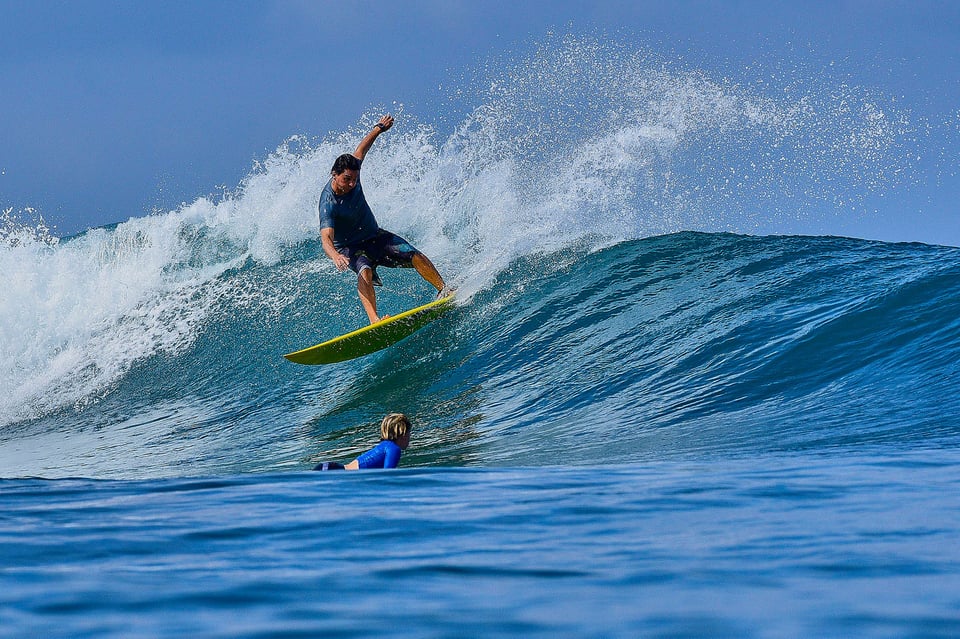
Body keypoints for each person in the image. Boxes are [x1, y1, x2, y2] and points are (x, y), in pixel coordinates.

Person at [319, 114, 450, 324]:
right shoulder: (329, 202)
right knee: (365, 270)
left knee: (413, 254)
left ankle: (444, 291)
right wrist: (335, 256)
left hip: (375, 236)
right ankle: (375, 320)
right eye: (346, 179)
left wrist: (379, 128)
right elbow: (326, 238)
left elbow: (361, 150)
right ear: (334, 174)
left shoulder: (353, 172)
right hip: (351, 248)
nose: (352, 183)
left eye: (354, 178)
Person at [314, 413, 412, 471]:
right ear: (403, 434)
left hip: (329, 469)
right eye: (409, 434)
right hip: (332, 473)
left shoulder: (385, 446)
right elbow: (387, 476)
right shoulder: (394, 449)